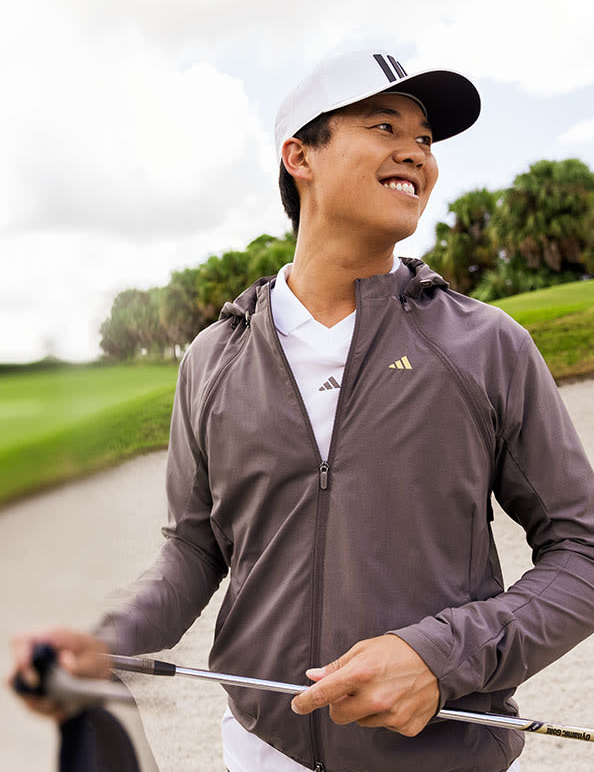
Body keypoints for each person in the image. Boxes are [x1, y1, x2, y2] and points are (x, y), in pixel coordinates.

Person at [11, 50, 594, 772]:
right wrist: (105, 635)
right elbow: (195, 550)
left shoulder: (487, 346)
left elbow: (583, 551)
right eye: (385, 126)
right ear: (300, 156)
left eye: (426, 140)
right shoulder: (211, 360)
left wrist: (439, 656)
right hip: (263, 753)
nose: (415, 151)